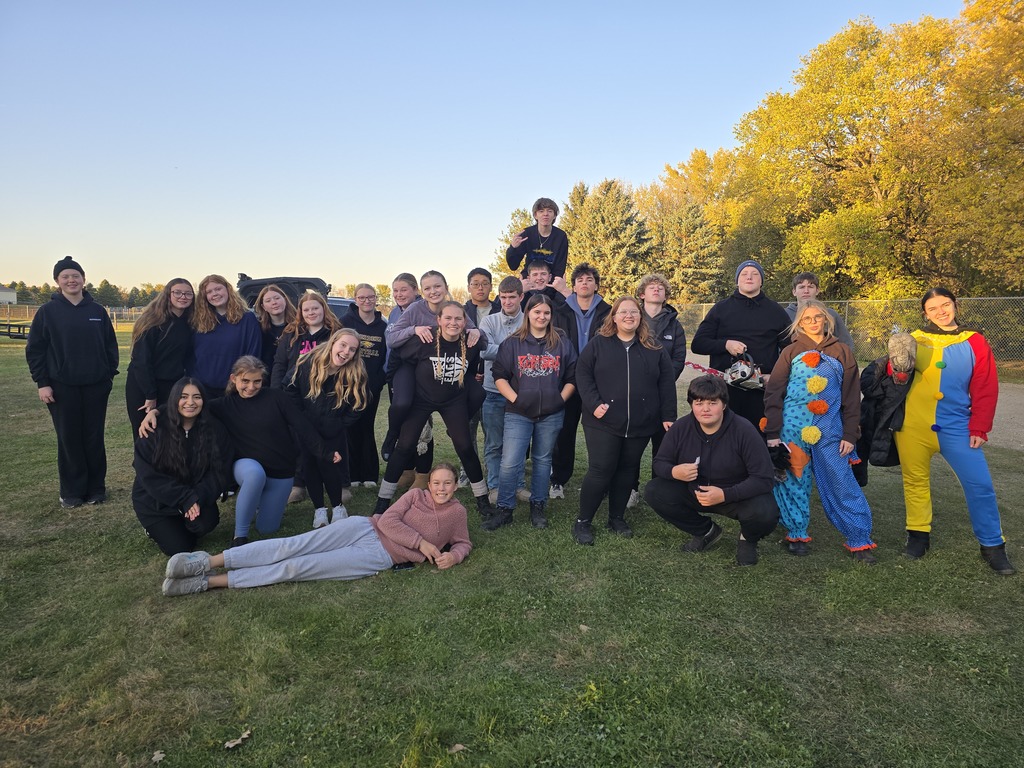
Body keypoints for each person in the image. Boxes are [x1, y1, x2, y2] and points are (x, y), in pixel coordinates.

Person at [161, 463, 472, 596]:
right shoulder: (414, 495)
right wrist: (424, 545)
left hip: (380, 555)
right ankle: (205, 561)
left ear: (456, 486)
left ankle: (208, 582)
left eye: (447, 483)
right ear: (428, 484)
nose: (441, 488)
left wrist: (454, 557)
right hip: (362, 527)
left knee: (297, 567)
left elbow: (462, 543)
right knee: (290, 546)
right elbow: (388, 520)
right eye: (436, 483)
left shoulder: (457, 513)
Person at [141, 356, 338, 547]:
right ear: (233, 379)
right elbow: (189, 405)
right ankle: (239, 536)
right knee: (254, 474)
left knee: (267, 529)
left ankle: (258, 502)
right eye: (245, 381)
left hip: (281, 472)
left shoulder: (277, 398)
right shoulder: (224, 405)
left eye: (257, 381)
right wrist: (156, 411)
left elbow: (302, 426)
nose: (251, 387)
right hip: (245, 467)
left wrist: (326, 453)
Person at [892, 287, 1014, 575]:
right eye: (933, 308)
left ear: (955, 305)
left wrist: (980, 426)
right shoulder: (915, 338)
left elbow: (985, 386)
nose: (940, 311)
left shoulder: (975, 340)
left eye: (945, 305)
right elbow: (897, 377)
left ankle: (992, 546)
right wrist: (895, 365)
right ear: (925, 313)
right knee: (915, 482)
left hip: (957, 425)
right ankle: (918, 536)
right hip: (913, 425)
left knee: (979, 485)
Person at [763, 300, 877, 562]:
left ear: (826, 320)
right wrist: (773, 433)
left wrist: (850, 435)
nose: (813, 322)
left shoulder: (843, 352)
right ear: (799, 324)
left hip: (830, 431)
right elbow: (774, 393)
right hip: (793, 428)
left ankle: (859, 537)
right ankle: (796, 532)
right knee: (793, 480)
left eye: (818, 317)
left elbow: (850, 397)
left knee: (841, 481)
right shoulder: (790, 352)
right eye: (807, 319)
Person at [373, 302, 493, 519]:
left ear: (465, 322)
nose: (453, 323)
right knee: (405, 446)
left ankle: (483, 501)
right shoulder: (424, 340)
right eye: (447, 318)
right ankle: (382, 503)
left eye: (458, 319)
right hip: (422, 399)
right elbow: (398, 357)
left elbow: (472, 365)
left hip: (453, 400)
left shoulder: (471, 341)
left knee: (465, 447)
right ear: (438, 320)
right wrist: (395, 384)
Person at [644, 376, 780, 566]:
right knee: (654, 490)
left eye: (712, 403)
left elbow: (764, 478)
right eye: (699, 403)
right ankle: (705, 531)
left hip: (735, 495)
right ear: (691, 404)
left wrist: (725, 494)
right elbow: (660, 462)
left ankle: (747, 540)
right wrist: (675, 471)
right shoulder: (681, 428)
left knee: (765, 512)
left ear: (723, 404)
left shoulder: (744, 430)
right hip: (696, 492)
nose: (705, 409)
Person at [572, 296, 677, 545]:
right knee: (601, 469)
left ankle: (616, 517)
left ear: (640, 317)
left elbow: (666, 383)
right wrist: (594, 403)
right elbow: (582, 374)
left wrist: (668, 415)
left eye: (634, 312)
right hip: (603, 420)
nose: (629, 315)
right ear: (614, 317)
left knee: (628, 471)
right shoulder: (599, 344)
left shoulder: (654, 347)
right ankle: (583, 521)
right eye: (623, 312)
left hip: (641, 422)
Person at [26, 256, 119, 507]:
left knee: (93, 436)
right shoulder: (48, 312)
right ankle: (72, 491)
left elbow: (110, 345)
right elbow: (35, 350)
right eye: (65, 276)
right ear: (57, 281)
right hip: (61, 386)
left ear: (83, 279)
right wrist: (42, 382)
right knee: (69, 437)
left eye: (75, 275)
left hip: (95, 385)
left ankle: (96, 488)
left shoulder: (97, 311)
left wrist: (108, 374)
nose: (71, 280)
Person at [484, 294, 577, 530]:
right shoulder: (513, 342)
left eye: (546, 313)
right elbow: (500, 375)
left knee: (542, 460)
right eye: (537, 312)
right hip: (518, 412)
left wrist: (559, 400)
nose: (542, 317)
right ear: (528, 314)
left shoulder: (562, 342)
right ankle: (505, 509)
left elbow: (572, 377)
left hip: (551, 413)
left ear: (551, 315)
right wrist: (517, 399)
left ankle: (538, 505)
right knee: (510, 461)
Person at [380, 271, 484, 462]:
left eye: (437, 286)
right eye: (427, 288)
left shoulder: (454, 308)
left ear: (446, 287)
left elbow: (476, 334)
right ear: (422, 291)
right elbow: (391, 339)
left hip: (443, 366)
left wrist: (475, 331)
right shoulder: (415, 309)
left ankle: (456, 427)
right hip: (410, 364)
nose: (433, 291)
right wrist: (413, 329)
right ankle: (392, 435)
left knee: (478, 393)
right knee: (402, 403)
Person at [132, 377, 231, 555]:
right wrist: (183, 498)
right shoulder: (154, 428)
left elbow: (220, 472)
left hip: (195, 496)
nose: (190, 402)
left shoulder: (214, 429)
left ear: (204, 400)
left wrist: (196, 497)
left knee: (205, 524)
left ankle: (181, 522)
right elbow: (148, 476)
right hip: (156, 503)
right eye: (183, 397)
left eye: (197, 397)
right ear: (174, 399)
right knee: (180, 548)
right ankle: (156, 529)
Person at [691, 259, 790, 430]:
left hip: (761, 391)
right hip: (724, 391)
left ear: (761, 281)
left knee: (759, 440)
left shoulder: (776, 311)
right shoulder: (720, 309)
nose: (749, 277)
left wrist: (775, 376)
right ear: (737, 280)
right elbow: (698, 344)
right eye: (744, 274)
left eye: (755, 274)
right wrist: (725, 345)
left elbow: (791, 350)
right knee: (724, 438)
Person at [288, 329, 368, 529]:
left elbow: (360, 404)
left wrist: (340, 423)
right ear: (333, 343)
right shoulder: (308, 362)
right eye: (342, 345)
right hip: (307, 429)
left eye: (352, 349)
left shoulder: (355, 372)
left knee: (331, 465)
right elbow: (289, 389)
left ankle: (338, 506)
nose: (345, 352)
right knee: (310, 466)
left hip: (333, 429)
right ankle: (319, 510)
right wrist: (301, 420)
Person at [549, 263, 610, 499]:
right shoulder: (560, 310)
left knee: (601, 434)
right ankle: (558, 481)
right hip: (568, 380)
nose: (584, 283)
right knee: (564, 432)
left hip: (598, 382)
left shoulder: (608, 312)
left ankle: (602, 481)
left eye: (589, 279)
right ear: (573, 286)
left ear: (596, 284)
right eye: (580, 280)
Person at [627, 273, 687, 508]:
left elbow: (679, 359)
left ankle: (657, 491)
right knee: (632, 446)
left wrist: (660, 382)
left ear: (665, 295)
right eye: (651, 287)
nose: (656, 290)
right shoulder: (631, 318)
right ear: (642, 294)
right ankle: (629, 489)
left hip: (663, 397)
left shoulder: (674, 324)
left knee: (662, 446)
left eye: (661, 288)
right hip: (633, 394)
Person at [125, 279, 194, 439]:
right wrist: (150, 395)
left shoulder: (190, 323)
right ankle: (144, 464)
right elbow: (141, 361)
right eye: (177, 292)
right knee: (145, 433)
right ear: (168, 294)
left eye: (188, 293)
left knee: (170, 433)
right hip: (144, 386)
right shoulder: (152, 321)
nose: (183, 296)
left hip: (173, 386)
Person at [478, 276, 527, 502]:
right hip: (493, 390)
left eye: (512, 297)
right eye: (504, 297)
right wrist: (518, 351)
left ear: (521, 297)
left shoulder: (529, 320)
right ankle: (495, 485)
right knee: (494, 442)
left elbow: (535, 352)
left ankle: (517, 485)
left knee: (518, 443)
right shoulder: (489, 321)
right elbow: (484, 351)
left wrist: (505, 351)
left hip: (522, 391)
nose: (507, 302)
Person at [383, 273, 434, 489]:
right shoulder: (395, 312)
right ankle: (407, 469)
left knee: (422, 422)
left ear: (416, 291)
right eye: (395, 290)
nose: (398, 294)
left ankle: (423, 472)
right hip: (397, 372)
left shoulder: (424, 309)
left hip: (421, 372)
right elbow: (392, 343)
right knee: (402, 417)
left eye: (403, 290)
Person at [343, 284, 388, 487]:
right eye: (362, 298)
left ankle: (369, 474)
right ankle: (352, 474)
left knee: (367, 427)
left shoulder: (383, 326)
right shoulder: (345, 322)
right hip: (348, 385)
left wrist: (378, 381)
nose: (366, 301)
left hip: (372, 386)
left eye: (370, 297)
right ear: (355, 299)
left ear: (376, 299)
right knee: (350, 427)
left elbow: (387, 358)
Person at [189, 275, 261, 396]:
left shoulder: (247, 319)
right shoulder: (198, 321)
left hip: (234, 390)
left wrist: (244, 383)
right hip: (202, 390)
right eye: (209, 292)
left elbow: (253, 354)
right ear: (204, 297)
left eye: (218, 289)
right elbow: (190, 355)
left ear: (228, 289)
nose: (215, 294)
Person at [271, 291, 343, 389]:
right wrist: (276, 393)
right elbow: (279, 364)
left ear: (324, 309)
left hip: (323, 392)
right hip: (292, 392)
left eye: (315, 308)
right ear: (301, 312)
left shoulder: (336, 334)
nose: (311, 313)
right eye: (306, 310)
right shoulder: (291, 333)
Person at [785, 272, 855, 353]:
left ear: (817, 290)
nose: (806, 291)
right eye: (802, 287)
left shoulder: (830, 314)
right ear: (794, 292)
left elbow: (847, 343)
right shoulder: (784, 315)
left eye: (810, 287)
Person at [505, 197, 569, 280]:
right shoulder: (527, 234)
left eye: (549, 211)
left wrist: (553, 286)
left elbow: (560, 267)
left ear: (554, 215)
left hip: (550, 281)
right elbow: (513, 266)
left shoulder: (560, 236)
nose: (545, 214)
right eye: (541, 211)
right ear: (535, 215)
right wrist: (513, 248)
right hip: (529, 279)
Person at [254, 284, 297, 372]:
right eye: (268, 301)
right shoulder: (258, 329)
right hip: (265, 379)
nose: (274, 302)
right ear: (263, 307)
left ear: (285, 300)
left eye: (277, 298)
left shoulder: (300, 326)